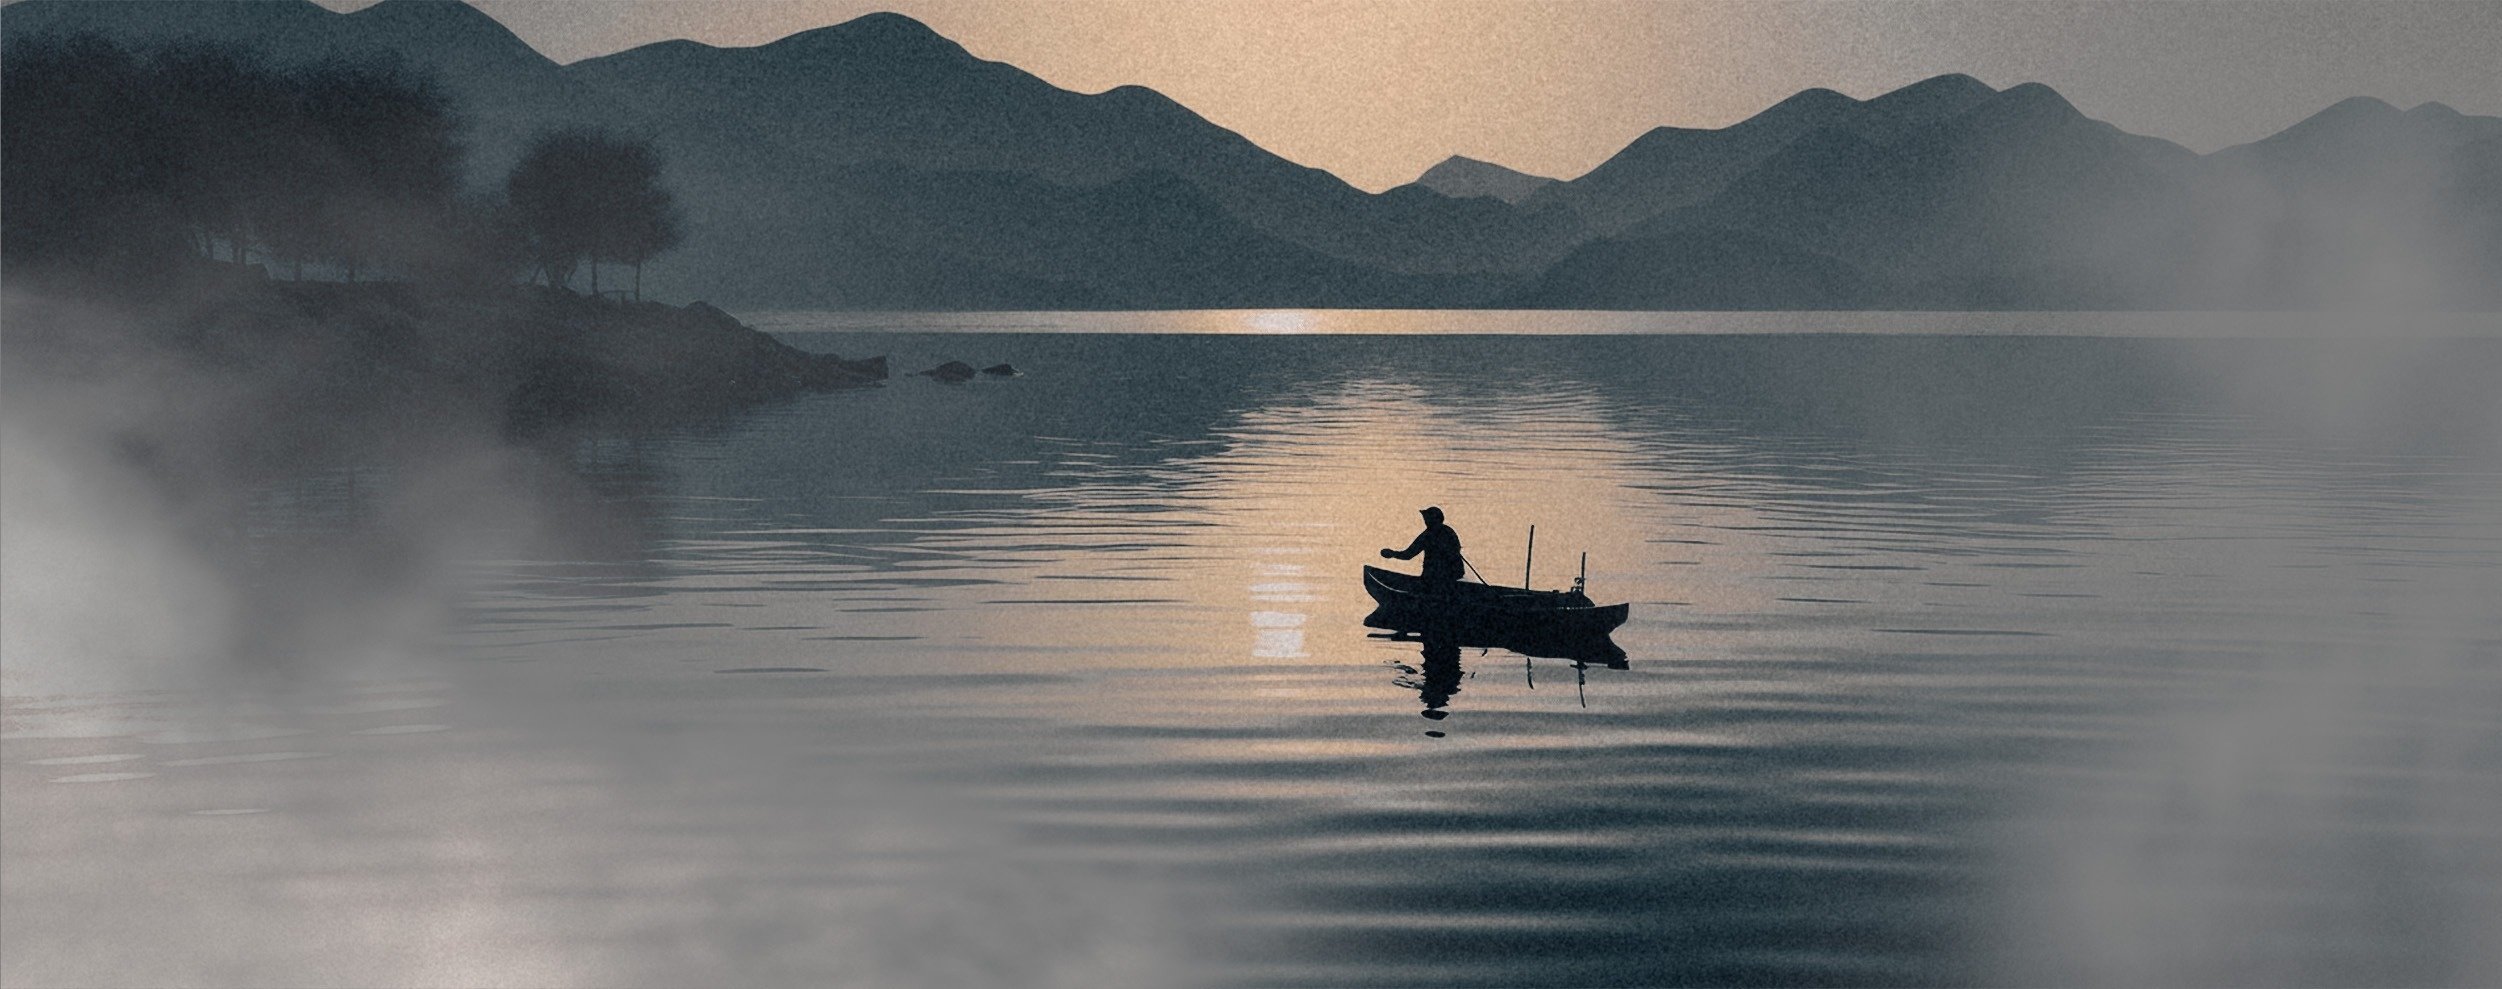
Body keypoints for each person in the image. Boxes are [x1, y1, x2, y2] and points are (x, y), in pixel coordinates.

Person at [1381, 506, 1465, 586]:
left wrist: (1392, 554)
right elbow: (1456, 549)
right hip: (1455, 574)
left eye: (1426, 518)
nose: (1425, 520)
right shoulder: (1449, 531)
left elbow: (1408, 554)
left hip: (1434, 578)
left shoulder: (1427, 535)